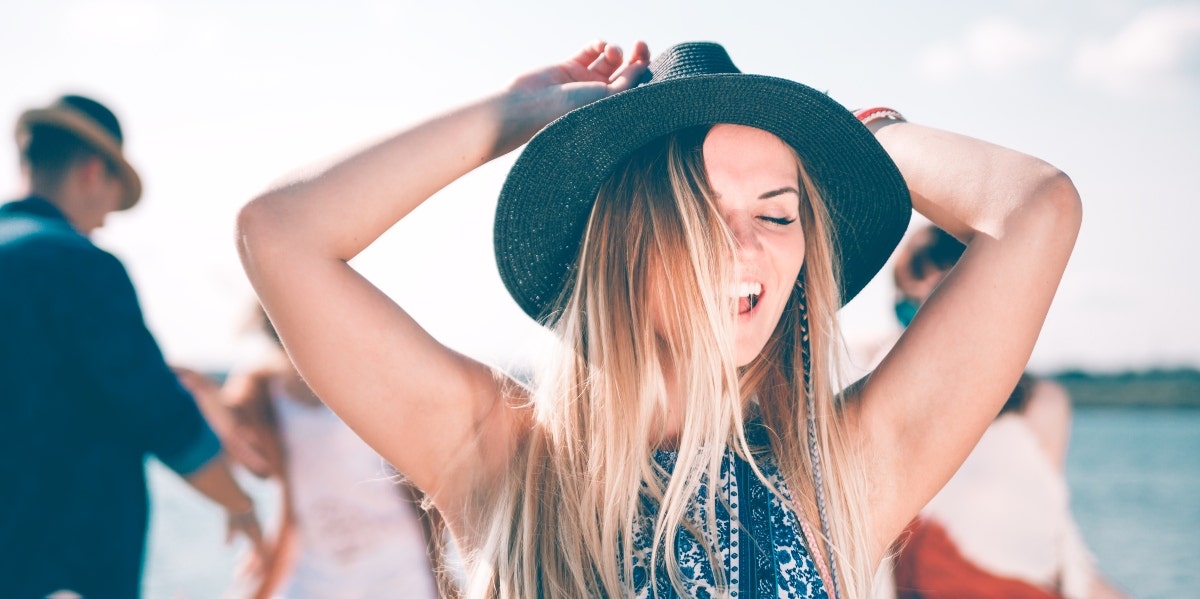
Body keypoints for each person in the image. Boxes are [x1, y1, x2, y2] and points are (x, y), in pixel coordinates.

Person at [235, 40, 1082, 598]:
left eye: (779, 213)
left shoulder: (845, 470)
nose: (745, 247)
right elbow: (280, 235)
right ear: (626, 246)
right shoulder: (503, 459)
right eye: (701, 213)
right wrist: (516, 117)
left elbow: (1038, 210)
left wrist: (871, 140)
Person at [0, 94, 264, 598]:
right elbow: (159, 415)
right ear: (94, 171)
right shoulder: (76, 263)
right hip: (60, 575)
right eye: (112, 201)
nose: (105, 221)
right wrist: (240, 505)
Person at [881, 225, 1129, 599]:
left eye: (938, 303)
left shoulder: (1040, 404)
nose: (920, 327)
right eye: (906, 310)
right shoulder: (878, 391)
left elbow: (1056, 531)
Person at [193, 307, 445, 598]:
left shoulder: (377, 378)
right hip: (316, 576)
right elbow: (230, 433)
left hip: (400, 572)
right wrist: (233, 502)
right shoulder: (261, 391)